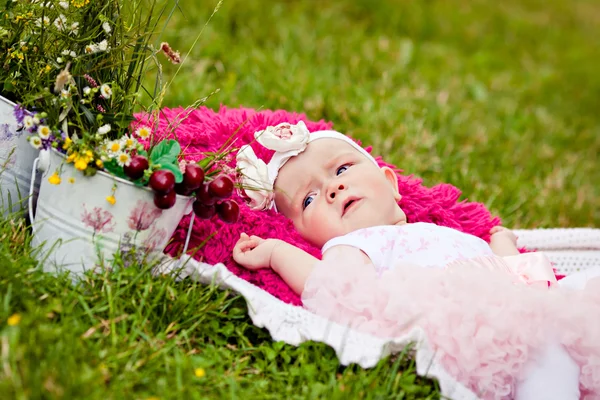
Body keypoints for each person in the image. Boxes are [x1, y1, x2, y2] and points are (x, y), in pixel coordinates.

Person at [232, 121, 600, 399]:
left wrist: (502, 242)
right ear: (303, 234)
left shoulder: (449, 233)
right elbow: (335, 287)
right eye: (308, 200)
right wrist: (278, 253)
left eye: (342, 169)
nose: (332, 187)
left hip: (531, 307)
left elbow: (514, 273)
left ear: (390, 183)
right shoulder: (354, 245)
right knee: (546, 364)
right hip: (471, 332)